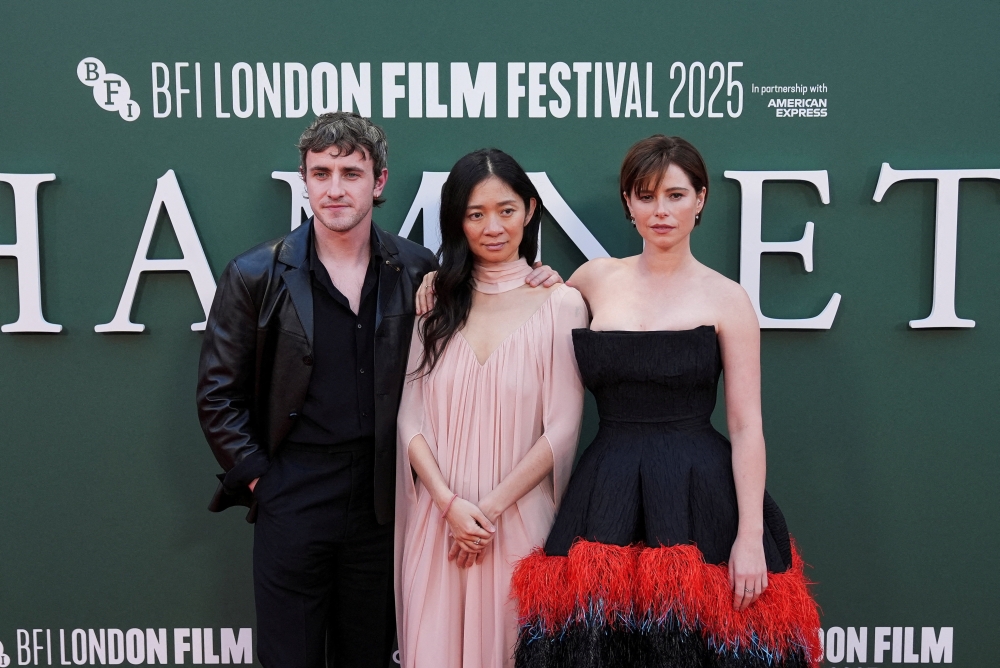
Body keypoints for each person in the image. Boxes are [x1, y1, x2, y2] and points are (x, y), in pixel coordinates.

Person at [196, 112, 561, 668]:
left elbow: (492, 293)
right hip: (291, 496)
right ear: (304, 179)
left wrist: (542, 274)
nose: (335, 188)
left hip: (384, 505)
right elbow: (217, 395)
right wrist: (262, 482)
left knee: (368, 657)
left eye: (350, 172)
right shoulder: (255, 274)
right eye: (321, 173)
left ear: (379, 181)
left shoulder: (416, 273)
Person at [508, 136, 822, 668]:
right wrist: (530, 283)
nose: (661, 211)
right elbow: (524, 326)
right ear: (628, 203)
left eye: (675, 195)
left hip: (701, 495)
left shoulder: (728, 298)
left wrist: (749, 536)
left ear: (700, 199)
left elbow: (747, 426)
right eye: (646, 195)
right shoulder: (593, 280)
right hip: (607, 489)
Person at [395, 149, 588, 668]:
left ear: (529, 210)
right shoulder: (433, 303)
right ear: (457, 221)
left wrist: (488, 512)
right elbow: (409, 421)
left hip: (518, 526)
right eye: (475, 214)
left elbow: (563, 429)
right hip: (439, 526)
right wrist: (451, 506)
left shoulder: (561, 305)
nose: (492, 226)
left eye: (505, 210)